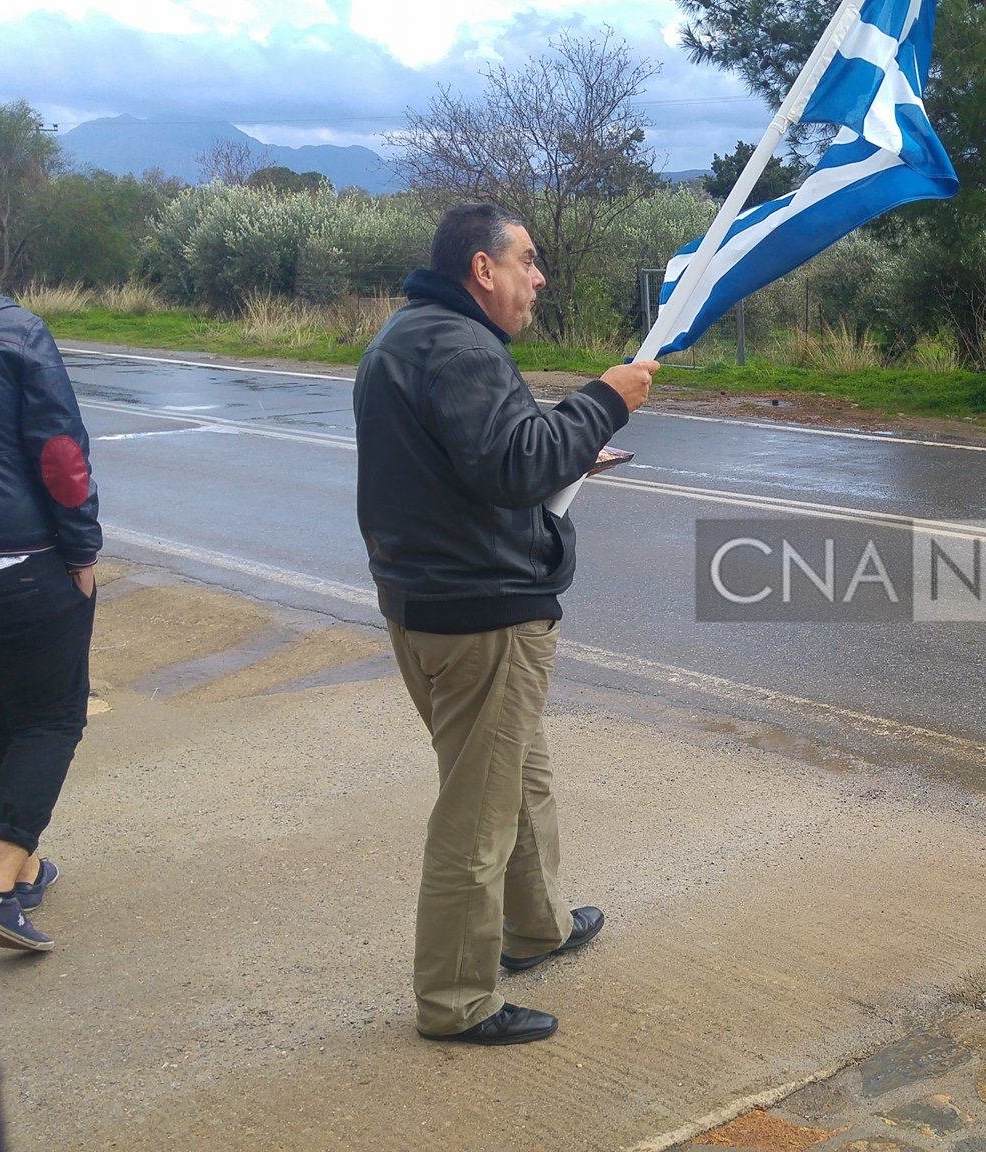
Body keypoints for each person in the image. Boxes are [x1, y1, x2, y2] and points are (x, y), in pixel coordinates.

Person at [354, 203, 656, 1046]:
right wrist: (604, 402)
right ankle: (455, 1001)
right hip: (480, 612)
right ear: (482, 269)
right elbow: (517, 464)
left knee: (519, 777)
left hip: (434, 600)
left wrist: (563, 434)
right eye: (527, 260)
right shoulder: (460, 348)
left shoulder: (410, 336)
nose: (539, 277)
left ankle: (538, 927)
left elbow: (481, 454)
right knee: (478, 815)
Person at [0, 207, 100, 954]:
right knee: (51, 717)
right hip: (17, 561)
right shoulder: (15, 331)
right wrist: (81, 551)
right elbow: (60, 457)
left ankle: (20, 868)